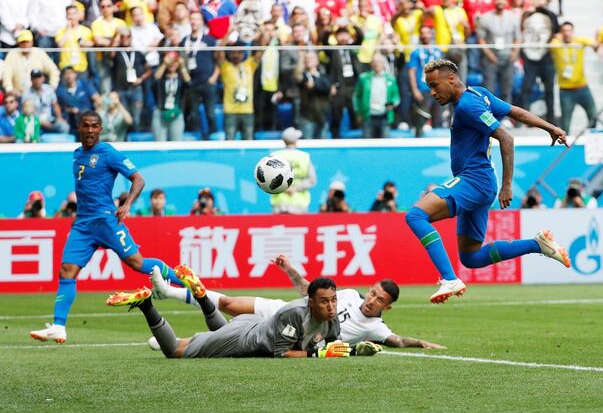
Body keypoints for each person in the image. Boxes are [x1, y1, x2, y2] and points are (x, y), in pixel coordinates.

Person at [406, 59, 571, 304]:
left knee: (416, 216)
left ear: (451, 79)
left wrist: (507, 185)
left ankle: (449, 278)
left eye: (434, 85)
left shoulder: (467, 106)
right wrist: (550, 127)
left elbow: (506, 137)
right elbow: (515, 111)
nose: (432, 92)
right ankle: (537, 244)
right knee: (471, 257)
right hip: (481, 184)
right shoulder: (479, 94)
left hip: (474, 181)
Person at [29, 111, 184, 344]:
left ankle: (186, 282)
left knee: (138, 263)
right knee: (67, 271)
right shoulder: (77, 155)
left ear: (100, 129)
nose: (90, 130)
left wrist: (126, 204)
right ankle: (59, 327)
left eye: (94, 126)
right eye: (86, 126)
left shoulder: (108, 153)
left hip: (105, 221)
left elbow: (139, 179)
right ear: (79, 128)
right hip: (82, 225)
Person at [147, 254, 446, 349]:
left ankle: (171, 341)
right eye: (373, 293)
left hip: (291, 334)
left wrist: (421, 343)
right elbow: (309, 291)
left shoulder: (376, 328)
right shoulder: (349, 295)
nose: (372, 301)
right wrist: (289, 269)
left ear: (387, 306)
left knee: (232, 337)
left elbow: (398, 341)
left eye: (380, 300)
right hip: (284, 310)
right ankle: (168, 292)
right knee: (227, 304)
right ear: (369, 289)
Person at [107, 271, 376, 358]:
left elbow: (331, 345)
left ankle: (202, 296)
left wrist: (354, 350)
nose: (331, 307)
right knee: (176, 351)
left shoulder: (331, 320)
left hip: (251, 326)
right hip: (243, 339)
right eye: (324, 302)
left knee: (209, 335)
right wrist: (317, 354)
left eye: (333, 300)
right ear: (310, 302)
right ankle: (146, 305)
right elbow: (281, 353)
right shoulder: (294, 314)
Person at [216, 27, 266, 140]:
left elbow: (262, 50)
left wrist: (261, 31)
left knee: (248, 141)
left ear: (243, 54)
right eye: (233, 52)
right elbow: (219, 51)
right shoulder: (225, 67)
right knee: (230, 141)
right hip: (230, 111)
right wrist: (229, 31)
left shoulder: (249, 65)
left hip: (247, 110)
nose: (236, 55)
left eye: (239, 52)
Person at [550, 22, 597, 134]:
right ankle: (566, 148)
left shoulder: (579, 41)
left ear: (572, 31)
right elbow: (552, 46)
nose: (567, 33)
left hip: (582, 88)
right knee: (565, 123)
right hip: (566, 91)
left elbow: (594, 44)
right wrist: (557, 37)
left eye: (569, 30)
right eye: (564, 31)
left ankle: (589, 138)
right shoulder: (557, 44)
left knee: (594, 116)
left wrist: (597, 46)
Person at [476, 0, 521, 105]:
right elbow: (481, 39)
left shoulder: (513, 17)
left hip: (508, 57)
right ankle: (489, 116)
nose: (500, 1)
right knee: (489, 89)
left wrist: (514, 53)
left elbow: (518, 37)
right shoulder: (485, 18)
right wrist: (489, 54)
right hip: (491, 58)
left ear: (506, 1)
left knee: (507, 88)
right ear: (494, 1)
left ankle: (506, 118)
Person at [521, 0, 558, 124]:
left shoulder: (551, 15)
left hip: (546, 57)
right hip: (529, 58)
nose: (539, 1)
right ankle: (522, 120)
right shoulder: (527, 14)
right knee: (526, 88)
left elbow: (556, 32)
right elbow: (522, 30)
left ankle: (551, 120)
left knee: (549, 90)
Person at [181, 11, 219, 138]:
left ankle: (213, 138)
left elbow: (218, 60)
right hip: (192, 82)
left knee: (211, 113)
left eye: (196, 19)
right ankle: (196, 139)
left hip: (208, 81)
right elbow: (181, 61)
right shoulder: (184, 41)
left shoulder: (209, 40)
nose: (193, 22)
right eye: (191, 19)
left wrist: (214, 77)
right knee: (194, 113)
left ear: (202, 22)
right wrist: (186, 77)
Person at [270, 127, 317, 214]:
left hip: (280, 202)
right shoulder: (304, 156)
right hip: (299, 202)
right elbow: (312, 180)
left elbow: (269, 179)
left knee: (280, 227)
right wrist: (295, 188)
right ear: (296, 141)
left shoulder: (274, 156)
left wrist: (284, 189)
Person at [353, 53, 401, 138]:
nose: (376, 64)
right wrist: (358, 112)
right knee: (367, 144)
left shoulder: (390, 78)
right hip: (368, 116)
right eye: (374, 62)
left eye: (379, 62)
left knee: (385, 145)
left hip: (384, 116)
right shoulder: (363, 78)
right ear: (371, 64)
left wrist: (393, 103)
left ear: (383, 64)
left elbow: (396, 96)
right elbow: (357, 96)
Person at [408, 26, 445, 135]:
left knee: (437, 119)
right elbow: (412, 71)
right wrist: (415, 89)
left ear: (431, 34)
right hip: (423, 89)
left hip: (438, 90)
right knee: (421, 119)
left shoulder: (438, 51)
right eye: (422, 33)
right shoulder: (416, 52)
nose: (425, 35)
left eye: (427, 33)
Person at [1, 30, 60, 96]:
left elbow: (53, 70)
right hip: (19, 94)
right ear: (19, 43)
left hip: (38, 93)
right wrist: (9, 89)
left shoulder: (39, 52)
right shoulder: (12, 54)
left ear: (32, 42)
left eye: (27, 42)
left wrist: (52, 87)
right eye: (22, 42)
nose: (25, 45)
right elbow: (6, 74)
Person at [151, 52, 190, 141]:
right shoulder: (162, 78)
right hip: (161, 112)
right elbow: (155, 80)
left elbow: (189, 84)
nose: (172, 64)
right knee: (159, 145)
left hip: (176, 112)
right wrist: (164, 64)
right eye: (170, 61)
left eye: (175, 61)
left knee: (177, 144)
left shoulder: (181, 78)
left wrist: (182, 66)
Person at [22, 70, 70, 134]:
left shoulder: (48, 89)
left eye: (39, 77)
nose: (37, 80)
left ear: (43, 78)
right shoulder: (26, 93)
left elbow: (55, 105)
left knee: (64, 126)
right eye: (34, 78)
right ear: (31, 80)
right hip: (34, 122)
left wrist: (59, 117)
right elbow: (25, 112)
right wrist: (39, 121)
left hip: (50, 119)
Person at [57, 66, 99, 131]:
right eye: (66, 74)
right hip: (71, 119)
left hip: (88, 115)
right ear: (63, 77)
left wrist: (97, 110)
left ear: (75, 74)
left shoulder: (85, 84)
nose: (69, 76)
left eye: (71, 73)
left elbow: (97, 98)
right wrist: (70, 110)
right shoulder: (61, 91)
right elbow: (60, 108)